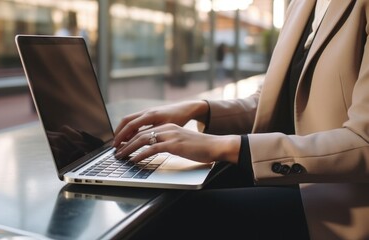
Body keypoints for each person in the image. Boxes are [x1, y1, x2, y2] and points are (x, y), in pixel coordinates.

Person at [113, 0, 369, 239]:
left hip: (344, 200)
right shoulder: (299, 3)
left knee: (169, 216)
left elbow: (364, 142)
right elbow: (269, 101)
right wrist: (198, 109)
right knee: (158, 194)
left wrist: (222, 146)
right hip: (294, 177)